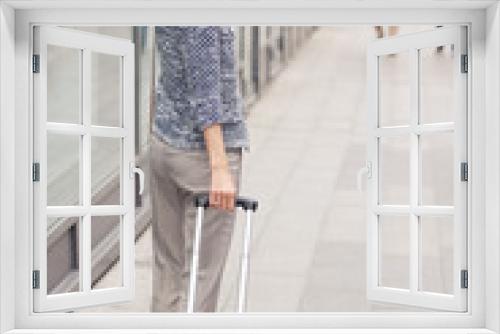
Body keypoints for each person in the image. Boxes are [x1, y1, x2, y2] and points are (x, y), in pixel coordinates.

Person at [150, 26, 249, 312]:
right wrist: (219, 167)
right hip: (201, 158)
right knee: (201, 277)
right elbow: (206, 93)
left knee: (167, 269)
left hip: (165, 144)